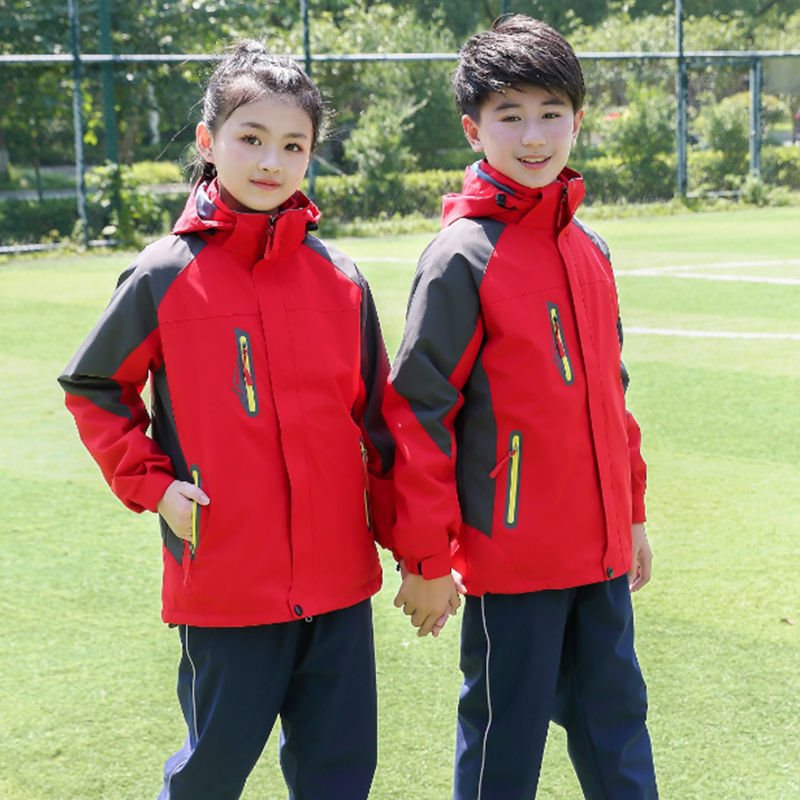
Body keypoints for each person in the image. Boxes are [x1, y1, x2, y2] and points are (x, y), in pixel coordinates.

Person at [58, 40, 393, 800]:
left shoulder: (340, 279)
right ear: (209, 142)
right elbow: (95, 386)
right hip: (225, 577)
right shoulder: (164, 273)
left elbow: (379, 423)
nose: (272, 161)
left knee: (342, 774)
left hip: (339, 583)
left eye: (293, 145)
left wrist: (418, 551)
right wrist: (156, 487)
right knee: (210, 774)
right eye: (251, 138)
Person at [385, 15, 658, 800]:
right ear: (474, 129)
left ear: (578, 119)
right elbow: (419, 415)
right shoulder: (460, 256)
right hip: (512, 563)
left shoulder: (590, 248)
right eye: (510, 116)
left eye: (550, 113)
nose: (533, 136)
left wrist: (632, 517)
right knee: (505, 745)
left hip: (600, 555)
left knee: (618, 727)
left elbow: (612, 397)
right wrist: (426, 559)